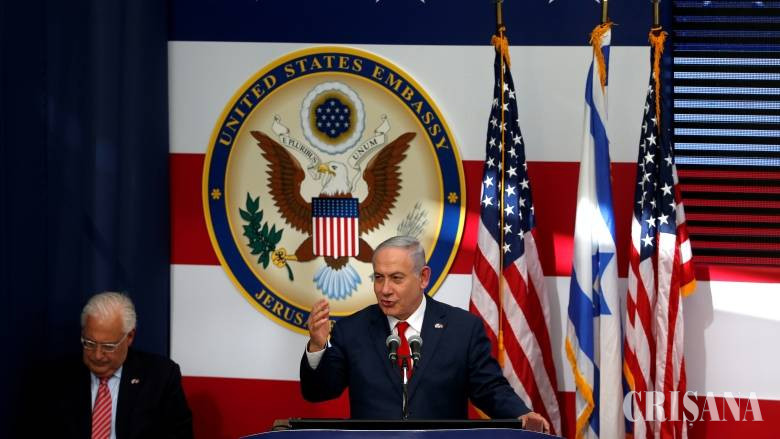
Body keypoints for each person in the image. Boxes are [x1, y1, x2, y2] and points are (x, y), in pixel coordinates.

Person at [300, 236, 550, 433]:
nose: (385, 289)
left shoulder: (463, 329)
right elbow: (319, 391)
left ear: (423, 277)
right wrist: (317, 346)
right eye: (378, 278)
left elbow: (490, 389)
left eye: (396, 278)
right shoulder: (352, 329)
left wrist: (521, 413)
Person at [49, 291, 193, 438]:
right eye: (89, 343)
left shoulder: (160, 376)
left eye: (108, 346)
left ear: (129, 336)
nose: (97, 355)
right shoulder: (56, 378)